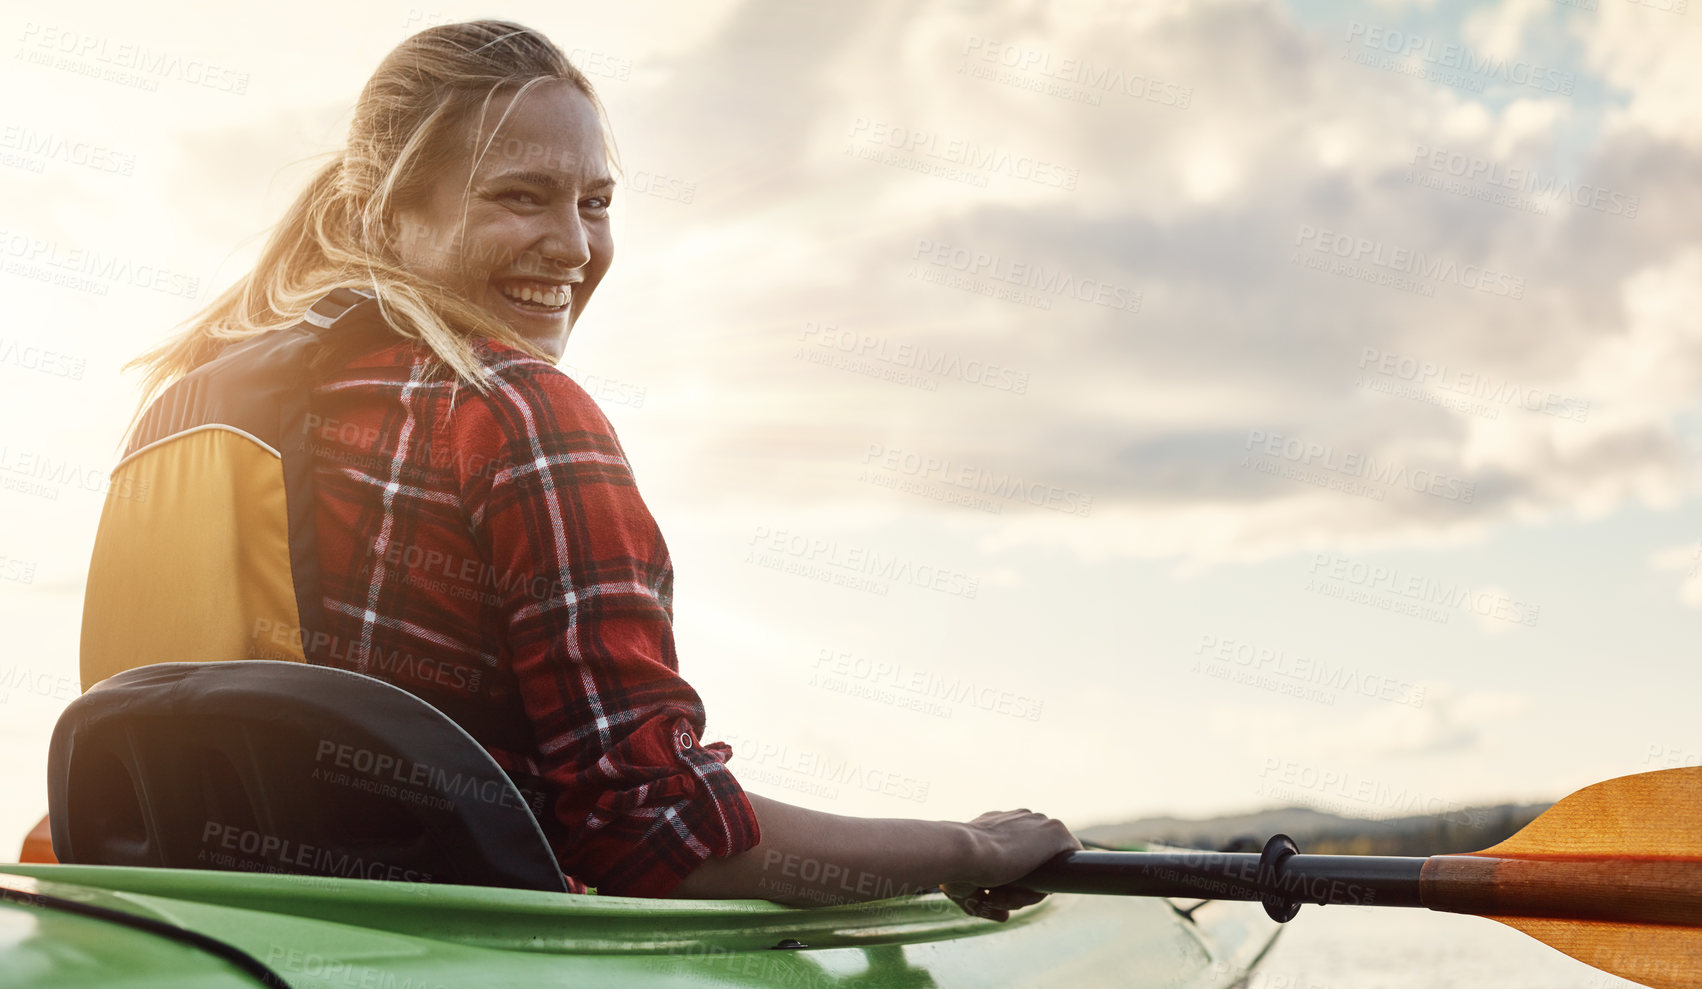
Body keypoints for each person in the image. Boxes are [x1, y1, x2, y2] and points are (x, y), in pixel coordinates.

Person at [121, 20, 1078, 919]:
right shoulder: (515, 412)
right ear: (385, 217)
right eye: (520, 196)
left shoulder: (184, 409)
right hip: (455, 962)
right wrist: (966, 848)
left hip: (191, 931)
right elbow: (660, 838)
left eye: (596, 204)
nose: (576, 248)